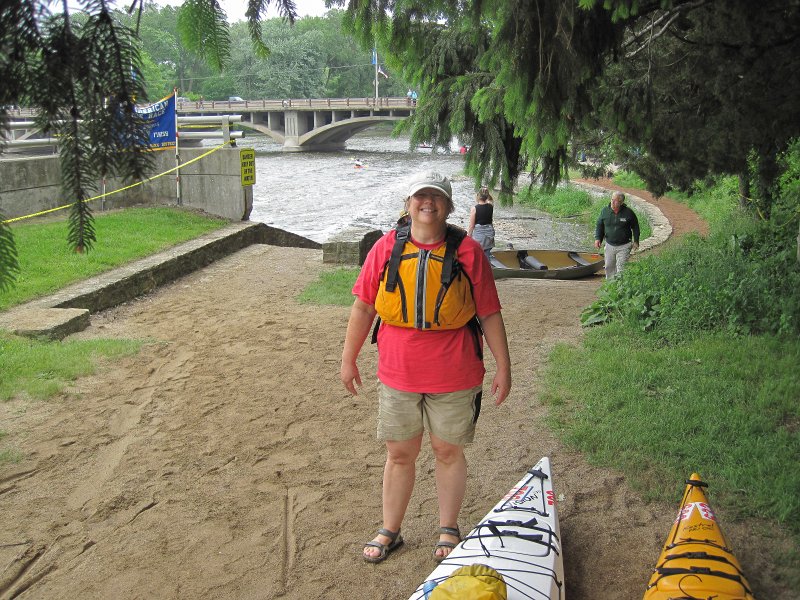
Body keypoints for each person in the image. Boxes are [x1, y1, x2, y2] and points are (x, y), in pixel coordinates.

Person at [340, 170, 512, 564]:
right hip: (399, 372)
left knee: (447, 450)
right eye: (420, 196)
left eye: (436, 197)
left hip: (455, 372)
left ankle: (448, 527)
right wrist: (348, 358)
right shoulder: (386, 248)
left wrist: (504, 367)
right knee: (400, 453)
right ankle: (390, 529)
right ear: (408, 203)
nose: (427, 203)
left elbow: (489, 313)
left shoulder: (467, 253)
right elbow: (364, 305)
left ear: (448, 207)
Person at [594, 190, 640, 279]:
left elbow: (635, 227)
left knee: (621, 268)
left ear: (622, 202)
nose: (613, 202)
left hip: (624, 245)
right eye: (612, 200)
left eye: (616, 201)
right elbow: (599, 225)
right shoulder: (605, 211)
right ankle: (610, 287)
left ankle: (620, 288)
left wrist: (636, 241)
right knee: (608, 267)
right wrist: (598, 238)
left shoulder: (629, 213)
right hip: (609, 244)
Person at [467, 186, 495, 261]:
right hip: (490, 234)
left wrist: (468, 237)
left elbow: (471, 226)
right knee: (486, 255)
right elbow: (490, 199)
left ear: (478, 196)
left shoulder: (474, 209)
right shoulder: (491, 206)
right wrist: (486, 192)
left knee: (478, 255)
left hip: (479, 236)